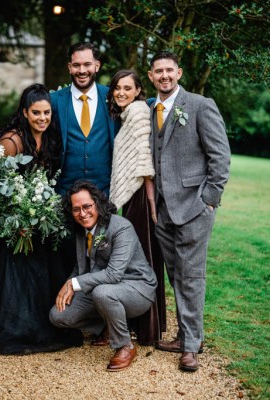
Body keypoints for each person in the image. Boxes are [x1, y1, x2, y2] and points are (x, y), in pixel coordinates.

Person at [0, 83, 83, 354]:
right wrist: (17, 218)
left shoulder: (48, 138)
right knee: (16, 278)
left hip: (36, 219)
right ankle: (16, 331)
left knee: (40, 273)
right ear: (24, 113)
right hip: (13, 225)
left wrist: (37, 213)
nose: (43, 118)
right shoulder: (11, 141)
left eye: (46, 113)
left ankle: (40, 327)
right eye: (36, 113)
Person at [147, 50, 231, 371]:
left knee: (192, 276)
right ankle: (185, 334)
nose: (164, 76)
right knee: (176, 275)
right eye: (158, 72)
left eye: (169, 70)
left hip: (194, 207)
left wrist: (208, 200)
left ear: (179, 73)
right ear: (152, 76)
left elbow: (220, 158)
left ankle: (191, 346)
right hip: (163, 211)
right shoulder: (150, 108)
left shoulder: (199, 105)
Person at [49, 180, 157, 372]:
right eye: (76, 210)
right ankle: (108, 326)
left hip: (138, 288)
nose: (82, 214)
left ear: (97, 203)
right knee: (58, 316)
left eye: (87, 207)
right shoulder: (82, 230)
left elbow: (114, 275)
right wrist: (68, 284)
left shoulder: (121, 227)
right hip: (102, 288)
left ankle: (125, 346)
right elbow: (80, 266)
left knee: (102, 293)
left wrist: (76, 283)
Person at [102, 70, 166, 345]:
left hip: (140, 196)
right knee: (132, 259)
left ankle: (146, 326)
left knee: (140, 260)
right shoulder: (127, 115)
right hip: (131, 197)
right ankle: (136, 323)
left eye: (127, 88)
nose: (121, 93)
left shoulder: (138, 112)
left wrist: (151, 203)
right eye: (117, 88)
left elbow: (144, 162)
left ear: (139, 90)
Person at [50, 42, 119, 196]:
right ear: (69, 67)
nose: (81, 71)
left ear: (97, 65)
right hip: (63, 194)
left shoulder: (113, 97)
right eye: (76, 65)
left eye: (87, 64)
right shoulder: (53, 101)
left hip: (104, 194)